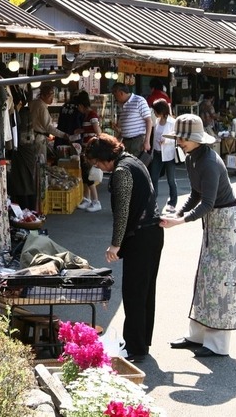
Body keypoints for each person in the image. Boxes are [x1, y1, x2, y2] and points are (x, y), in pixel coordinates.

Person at [160, 114, 236, 358]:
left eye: (182, 138)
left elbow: (208, 202)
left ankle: (217, 345)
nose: (179, 142)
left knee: (222, 282)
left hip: (227, 222)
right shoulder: (194, 158)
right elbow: (195, 194)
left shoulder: (210, 162)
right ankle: (197, 336)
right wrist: (177, 213)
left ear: (195, 139)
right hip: (214, 221)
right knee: (206, 278)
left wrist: (180, 220)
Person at [84, 133, 163, 363]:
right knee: (146, 291)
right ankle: (141, 342)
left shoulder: (121, 172)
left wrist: (115, 245)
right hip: (153, 232)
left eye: (97, 162)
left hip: (141, 235)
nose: (98, 167)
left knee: (134, 292)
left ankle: (136, 347)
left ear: (105, 157)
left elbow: (122, 212)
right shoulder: (134, 160)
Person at [73, 92, 103, 212]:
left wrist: (94, 146)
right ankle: (87, 199)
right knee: (85, 175)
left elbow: (98, 132)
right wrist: (80, 130)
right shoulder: (87, 116)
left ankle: (96, 201)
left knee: (89, 175)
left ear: (81, 105)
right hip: (86, 148)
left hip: (90, 149)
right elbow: (90, 129)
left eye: (78, 106)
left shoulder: (92, 115)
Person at [148, 100, 179, 212]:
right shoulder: (156, 121)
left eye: (156, 111)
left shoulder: (173, 122)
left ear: (161, 110)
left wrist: (165, 140)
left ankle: (172, 203)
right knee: (153, 177)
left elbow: (177, 137)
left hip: (168, 154)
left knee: (171, 179)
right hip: (157, 152)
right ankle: (153, 201)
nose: (154, 113)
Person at [111, 83, 152, 158]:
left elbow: (148, 121)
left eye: (115, 95)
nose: (115, 98)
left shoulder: (139, 100)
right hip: (126, 141)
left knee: (134, 163)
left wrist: (147, 141)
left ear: (121, 93)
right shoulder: (122, 105)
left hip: (137, 140)